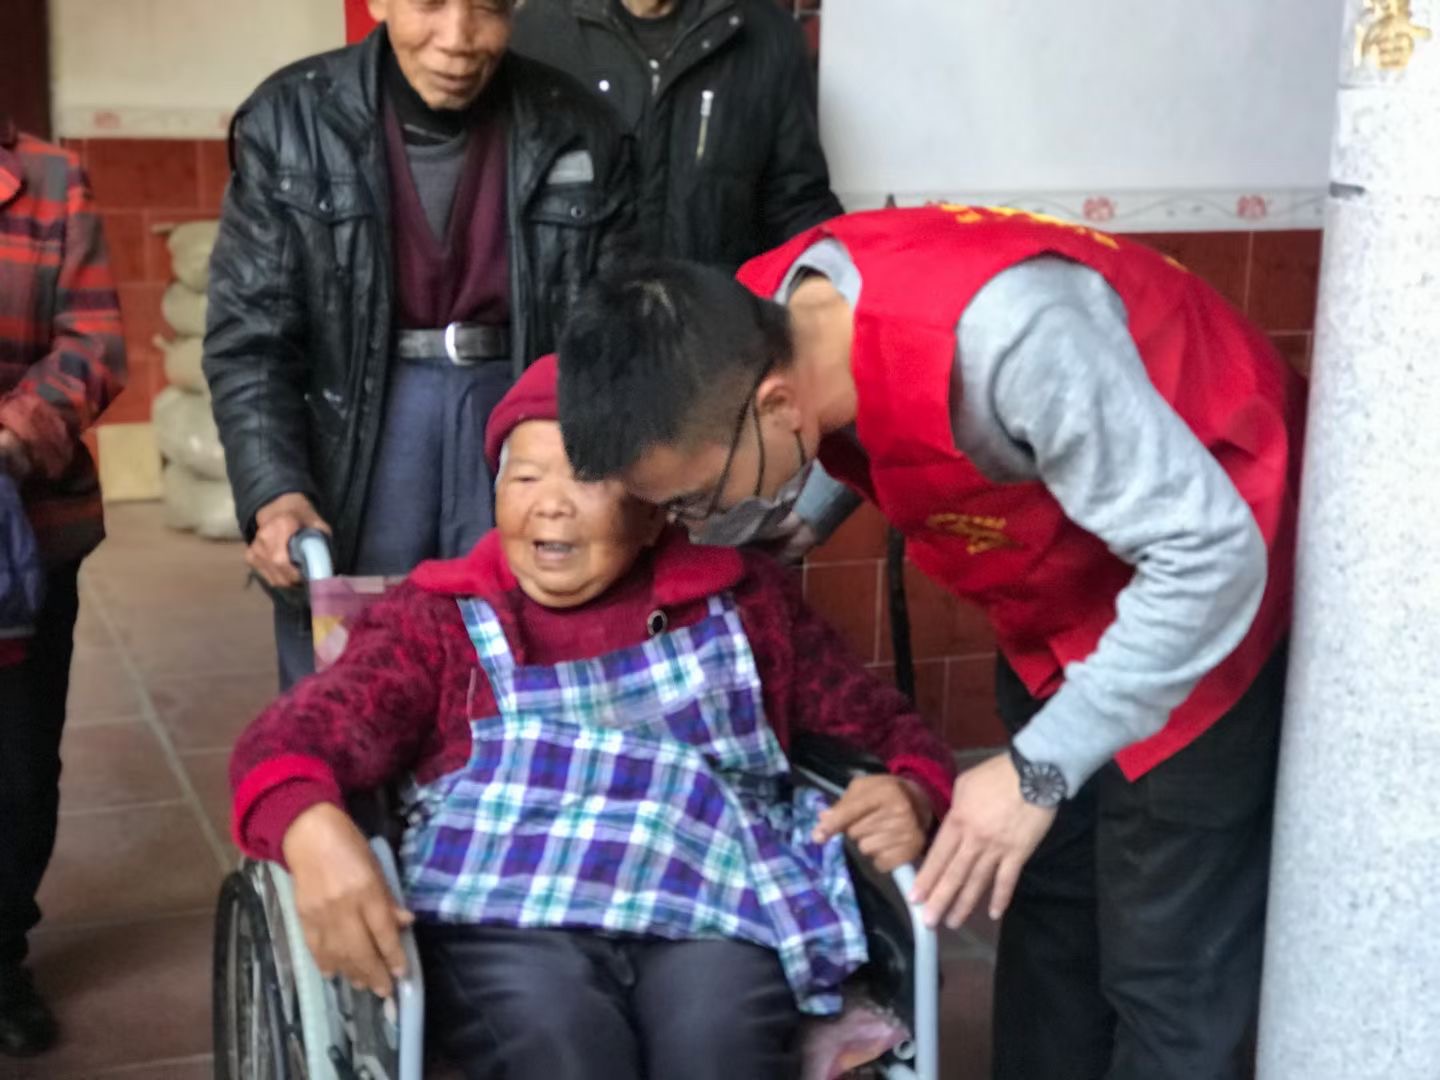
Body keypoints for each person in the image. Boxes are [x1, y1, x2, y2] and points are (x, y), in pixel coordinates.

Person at [552, 203, 1307, 1080]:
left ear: (778, 406)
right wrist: (800, 517)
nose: (698, 525)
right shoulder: (758, 314)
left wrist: (1037, 770)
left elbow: (1210, 557)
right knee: (1049, 906)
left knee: (1164, 957)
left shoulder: (1014, 340)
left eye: (698, 499)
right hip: (1059, 587)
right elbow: (858, 425)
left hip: (1206, 578)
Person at [228, 355, 955, 1080]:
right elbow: (289, 739)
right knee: (566, 1054)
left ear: (655, 506)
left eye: (586, 477)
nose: (551, 504)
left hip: (711, 899)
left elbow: (886, 730)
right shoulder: (436, 623)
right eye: (524, 478)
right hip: (507, 911)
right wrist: (311, 828)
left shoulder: (745, 605)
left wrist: (910, 791)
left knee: (717, 1051)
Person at [205, 0, 636, 690]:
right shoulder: (291, 121)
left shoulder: (578, 126)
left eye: (488, 7)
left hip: (519, 428)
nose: (458, 38)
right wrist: (276, 491)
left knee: (510, 665)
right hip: (357, 430)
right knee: (351, 678)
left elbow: (616, 333)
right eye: (430, 3)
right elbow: (252, 339)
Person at [510, 0, 859, 562]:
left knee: (723, 595)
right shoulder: (538, 30)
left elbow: (800, 209)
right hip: (584, 396)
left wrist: (816, 493)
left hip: (717, 410)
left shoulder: (764, 34)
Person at [0, 113, 126, 1057]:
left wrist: (11, 436)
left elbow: (93, 345)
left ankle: (1, 955)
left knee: (16, 768)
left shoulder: (50, 180)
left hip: (24, 537)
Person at [511, 0, 842, 275]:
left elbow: (798, 205)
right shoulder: (535, 33)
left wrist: (823, 280)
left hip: (719, 324)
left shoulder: (770, 37)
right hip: (576, 328)